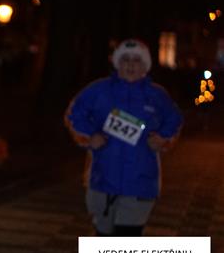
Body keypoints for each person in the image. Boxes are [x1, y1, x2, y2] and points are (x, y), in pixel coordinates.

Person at [65, 39, 183, 236]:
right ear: (117, 63)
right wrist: (90, 136)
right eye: (125, 59)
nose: (130, 64)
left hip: (141, 183)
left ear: (145, 66)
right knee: (103, 238)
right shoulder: (99, 90)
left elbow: (174, 120)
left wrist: (162, 139)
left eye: (136, 60)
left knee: (127, 240)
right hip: (103, 180)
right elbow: (74, 114)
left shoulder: (157, 96)